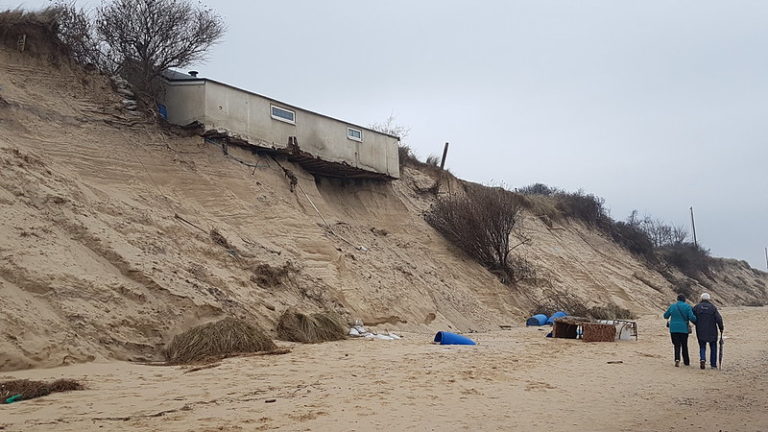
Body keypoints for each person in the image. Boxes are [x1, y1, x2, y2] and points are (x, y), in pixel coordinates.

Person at [663, 294, 697, 367]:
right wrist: (697, 320)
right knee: (684, 345)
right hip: (684, 329)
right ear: (684, 299)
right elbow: (692, 317)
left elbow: (665, 316)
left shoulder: (672, 306)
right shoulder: (687, 306)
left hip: (673, 329)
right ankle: (686, 362)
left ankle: (677, 359)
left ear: (677, 299)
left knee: (676, 345)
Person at [693, 293, 724, 369]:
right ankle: (713, 364)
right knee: (713, 347)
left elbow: (692, 317)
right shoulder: (713, 307)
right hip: (712, 330)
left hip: (700, 330)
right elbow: (719, 319)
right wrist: (721, 327)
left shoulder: (697, 307)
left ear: (701, 298)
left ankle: (702, 358)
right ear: (709, 299)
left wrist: (696, 323)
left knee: (702, 346)